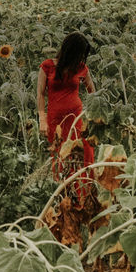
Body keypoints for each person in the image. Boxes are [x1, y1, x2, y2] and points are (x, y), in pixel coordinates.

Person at [36, 31, 96, 179]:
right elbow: (40, 95)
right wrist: (42, 120)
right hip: (55, 120)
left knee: (81, 155)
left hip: (76, 119)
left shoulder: (81, 68)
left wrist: (90, 116)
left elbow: (93, 93)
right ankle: (65, 196)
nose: (81, 58)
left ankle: (85, 194)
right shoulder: (47, 66)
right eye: (79, 54)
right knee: (60, 157)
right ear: (71, 51)